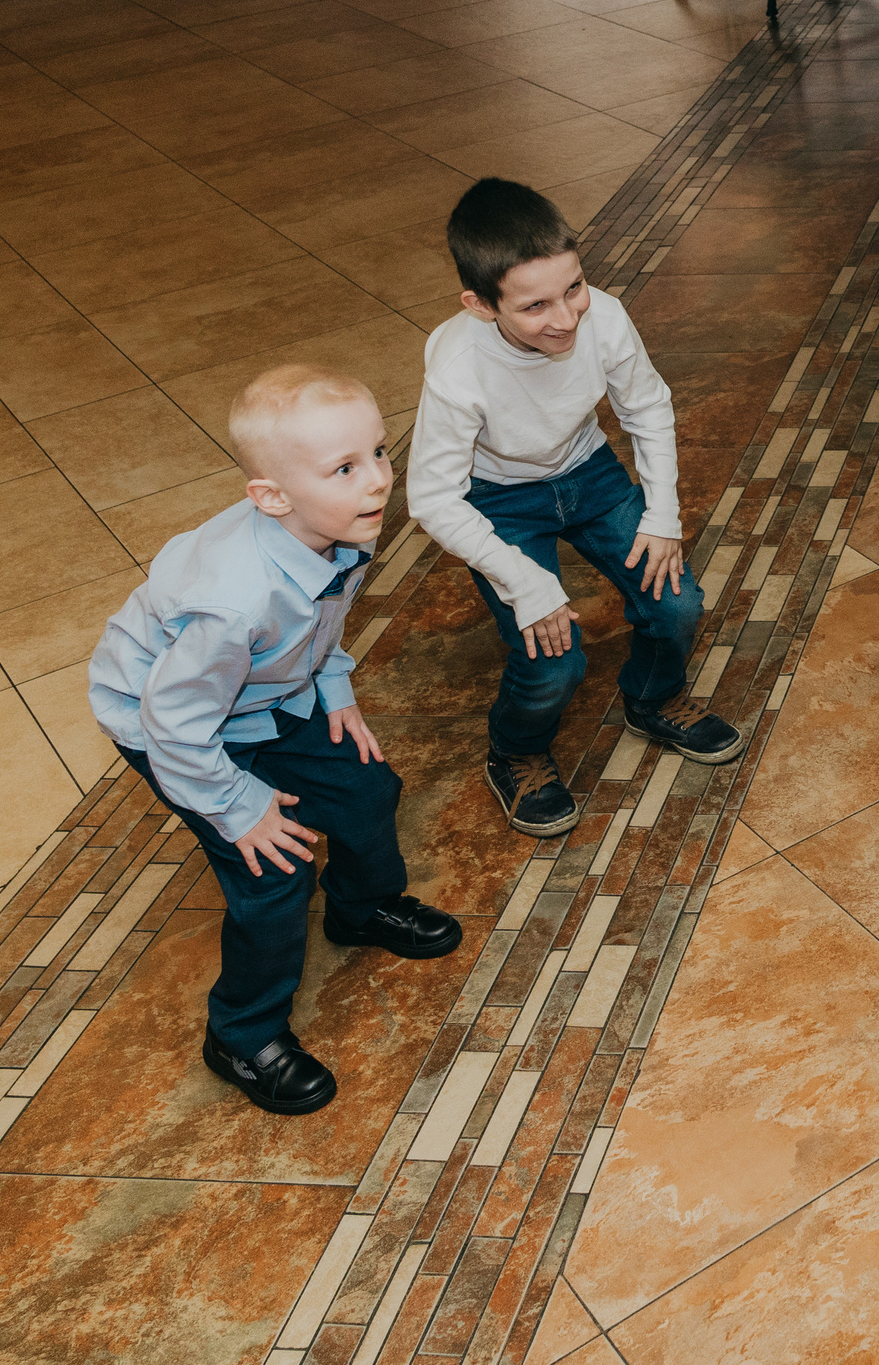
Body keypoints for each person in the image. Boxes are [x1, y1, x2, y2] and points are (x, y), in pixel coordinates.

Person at [90, 366, 463, 1116]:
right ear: (272, 496)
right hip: (177, 730)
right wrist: (239, 806)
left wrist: (334, 687)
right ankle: (241, 1034)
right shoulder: (235, 601)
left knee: (366, 788)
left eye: (379, 452)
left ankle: (361, 908)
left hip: (264, 694)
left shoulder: (338, 527)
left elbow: (319, 622)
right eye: (345, 468)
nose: (378, 480)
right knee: (275, 873)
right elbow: (175, 722)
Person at [408, 179, 743, 842]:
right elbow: (432, 497)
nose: (565, 317)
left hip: (588, 472)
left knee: (677, 605)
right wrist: (524, 581)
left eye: (574, 287)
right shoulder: (458, 365)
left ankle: (652, 698)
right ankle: (516, 751)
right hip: (498, 499)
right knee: (552, 659)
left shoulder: (604, 317)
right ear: (480, 305)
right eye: (535, 305)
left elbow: (647, 406)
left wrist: (662, 514)